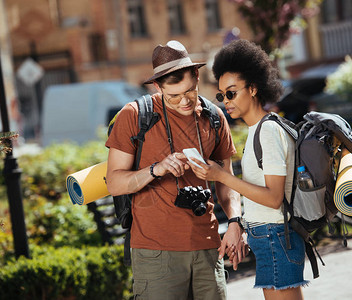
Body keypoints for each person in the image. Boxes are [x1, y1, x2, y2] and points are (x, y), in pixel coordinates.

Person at [105, 40, 246, 300]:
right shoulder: (134, 116)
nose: (184, 101)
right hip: (156, 253)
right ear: (158, 86)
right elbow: (114, 183)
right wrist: (156, 169)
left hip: (208, 247)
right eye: (173, 96)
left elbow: (227, 182)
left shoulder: (214, 117)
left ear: (196, 76)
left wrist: (236, 221)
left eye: (190, 92)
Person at [188, 39, 309, 300]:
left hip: (276, 236)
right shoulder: (258, 129)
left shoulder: (268, 130)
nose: (226, 101)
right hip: (267, 236)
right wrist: (242, 226)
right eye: (221, 95)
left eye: (232, 93)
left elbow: (273, 197)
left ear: (253, 88)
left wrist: (220, 176)